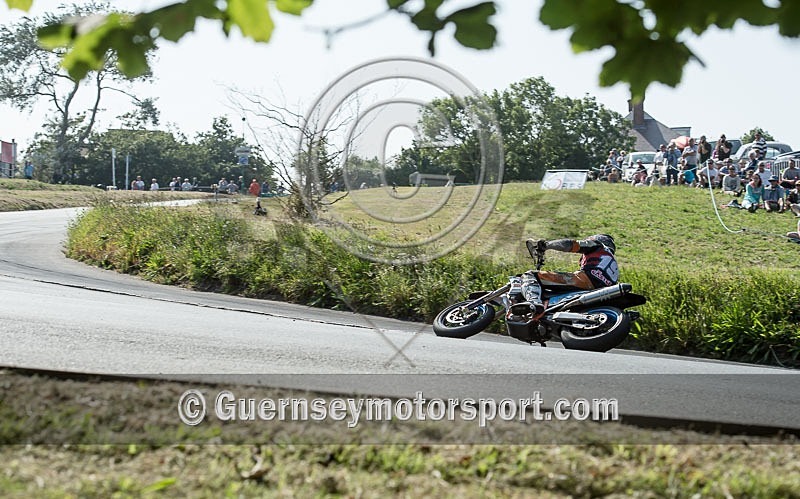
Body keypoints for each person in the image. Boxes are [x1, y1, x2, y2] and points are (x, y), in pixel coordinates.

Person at [511, 235, 619, 316]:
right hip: (601, 291)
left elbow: (572, 244)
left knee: (530, 275)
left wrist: (546, 245)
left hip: (584, 279)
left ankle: (533, 302)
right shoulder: (613, 263)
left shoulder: (598, 246)